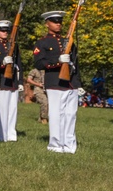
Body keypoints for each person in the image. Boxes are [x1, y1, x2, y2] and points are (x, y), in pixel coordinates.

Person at [33, 10, 81, 153]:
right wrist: (57, 61)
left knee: (70, 114)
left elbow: (76, 64)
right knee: (56, 114)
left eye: (60, 21)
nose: (58, 24)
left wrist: (78, 84)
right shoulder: (42, 42)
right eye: (54, 21)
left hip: (70, 83)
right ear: (47, 24)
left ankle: (69, 145)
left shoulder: (68, 41)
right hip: (54, 81)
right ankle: (55, 145)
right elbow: (39, 63)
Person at [0, 20, 21, 142]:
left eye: (6, 30)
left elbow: (19, 64)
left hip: (13, 81)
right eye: (2, 30)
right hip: (2, 81)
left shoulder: (13, 45)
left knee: (13, 109)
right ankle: (2, 134)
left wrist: (20, 82)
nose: (5, 32)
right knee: (2, 110)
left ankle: (11, 134)